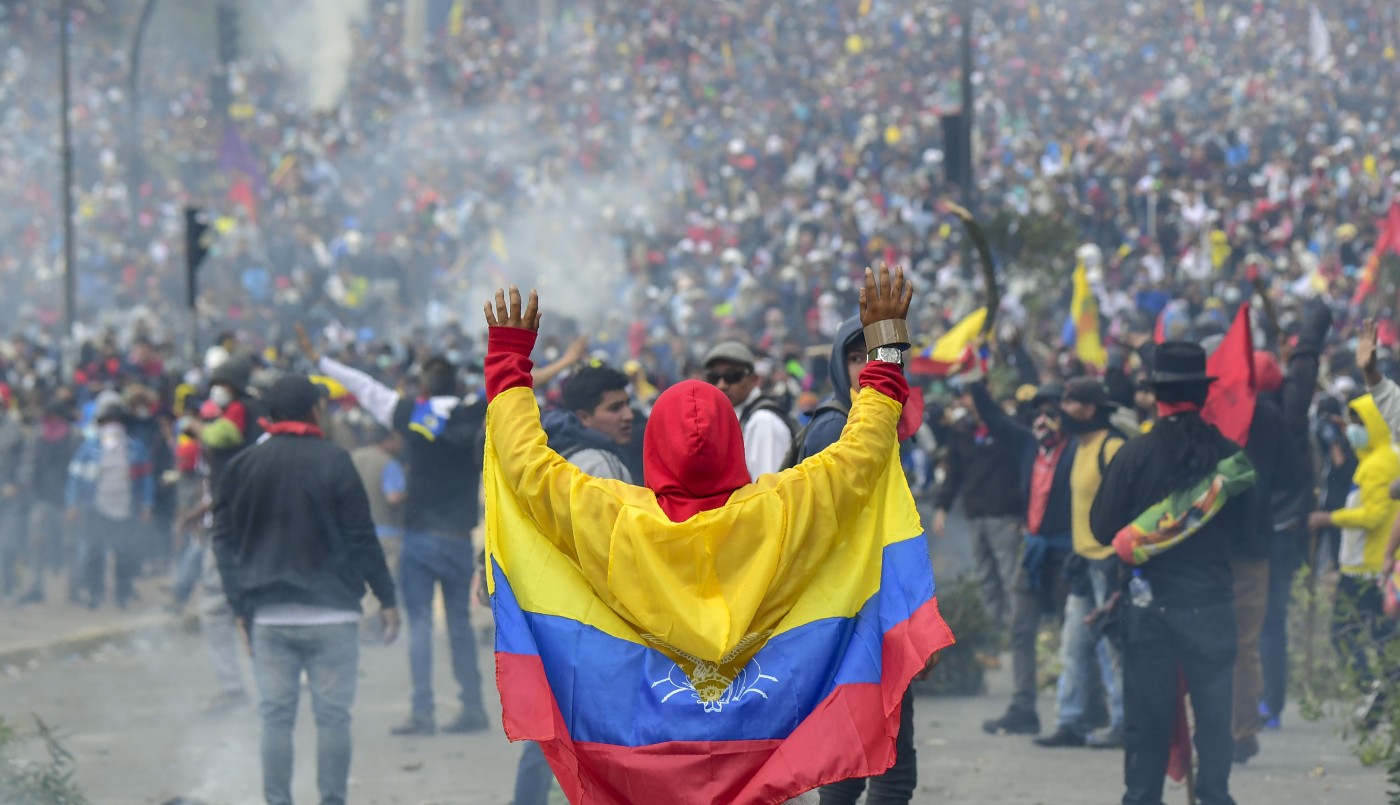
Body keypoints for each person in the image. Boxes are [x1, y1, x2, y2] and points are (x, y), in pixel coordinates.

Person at [480, 272, 949, 804]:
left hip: (647, 748)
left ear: (654, 443)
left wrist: (508, 356)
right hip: (758, 741)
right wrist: (885, 343)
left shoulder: (613, 517)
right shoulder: (781, 509)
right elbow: (864, 448)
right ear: (736, 441)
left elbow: (524, 463)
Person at [211, 373, 400, 805]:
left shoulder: (242, 467)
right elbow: (361, 536)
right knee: (333, 718)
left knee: (275, 719)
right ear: (315, 410)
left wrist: (241, 606)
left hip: (269, 616)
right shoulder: (335, 460)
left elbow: (223, 541)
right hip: (333, 615)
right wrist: (387, 598)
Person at [300, 326, 491, 736]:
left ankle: (422, 713)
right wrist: (563, 363)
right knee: (458, 624)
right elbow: (514, 385)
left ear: (423, 387)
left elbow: (364, 387)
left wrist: (322, 360)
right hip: (458, 540)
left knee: (419, 625)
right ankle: (473, 707)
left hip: (420, 538)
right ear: (457, 384)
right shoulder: (475, 411)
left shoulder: (409, 413)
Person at [1091, 342, 1258, 805]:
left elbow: (1102, 529)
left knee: (1146, 723)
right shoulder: (1231, 459)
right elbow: (1250, 537)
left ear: (1155, 395)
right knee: (1214, 715)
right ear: (1202, 396)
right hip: (1212, 606)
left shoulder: (1134, 454)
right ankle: (1215, 794)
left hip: (1150, 611)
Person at [795, 317, 922, 805]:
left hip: (870, 607)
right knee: (881, 764)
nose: (864, 368)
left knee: (858, 758)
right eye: (854, 358)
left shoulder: (873, 424)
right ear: (836, 365)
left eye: (872, 356)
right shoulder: (837, 426)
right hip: (856, 612)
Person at [513, 365, 638, 805]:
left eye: (627, 404)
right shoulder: (599, 466)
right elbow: (619, 553)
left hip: (555, 616)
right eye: (614, 407)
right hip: (593, 624)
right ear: (584, 416)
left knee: (551, 731)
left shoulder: (552, 454)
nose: (628, 415)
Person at [973, 376, 1102, 738]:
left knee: (1073, 633)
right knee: (1020, 628)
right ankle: (1023, 707)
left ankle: (1093, 709)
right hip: (1032, 553)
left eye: (1051, 412)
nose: (1042, 420)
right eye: (1037, 413)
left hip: (1068, 555)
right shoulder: (1030, 446)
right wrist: (974, 382)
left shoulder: (1079, 450)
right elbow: (995, 419)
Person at [1035, 377, 1127, 750]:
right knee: (1073, 645)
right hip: (1082, 561)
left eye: (1071, 402)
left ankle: (1123, 722)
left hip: (1107, 562)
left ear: (1090, 409)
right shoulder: (1077, 446)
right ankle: (1070, 722)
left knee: (1110, 649)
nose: (1063, 410)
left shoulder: (1113, 446)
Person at [1306, 393, 1400, 726]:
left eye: (1359, 423)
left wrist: (1330, 518)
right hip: (1370, 565)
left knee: (1346, 633)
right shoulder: (1379, 457)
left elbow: (1374, 515)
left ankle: (1377, 690)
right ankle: (1384, 693)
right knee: (1380, 636)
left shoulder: (1379, 463)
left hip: (1368, 567)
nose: (1352, 430)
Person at [931, 371, 1025, 634]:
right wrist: (942, 507)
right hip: (976, 514)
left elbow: (1023, 469)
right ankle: (993, 632)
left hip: (1004, 514)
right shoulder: (962, 431)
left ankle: (1015, 629)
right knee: (985, 576)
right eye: (965, 396)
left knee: (1009, 575)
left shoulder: (1007, 428)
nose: (967, 401)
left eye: (972, 394)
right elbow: (954, 472)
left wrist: (1026, 514)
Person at [65, 395, 155, 610]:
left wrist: (147, 505)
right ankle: (95, 594)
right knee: (95, 554)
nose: (112, 427)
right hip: (95, 508)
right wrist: (72, 504)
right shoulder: (88, 448)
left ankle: (122, 595)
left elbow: (146, 480)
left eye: (117, 422)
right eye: (108, 422)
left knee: (124, 553)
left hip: (126, 508)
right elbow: (75, 478)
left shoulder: (136, 449)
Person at [703, 341, 794, 479]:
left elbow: (769, 492)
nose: (721, 385)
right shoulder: (736, 416)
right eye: (714, 378)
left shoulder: (763, 421)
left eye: (732, 376)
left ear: (755, 379)